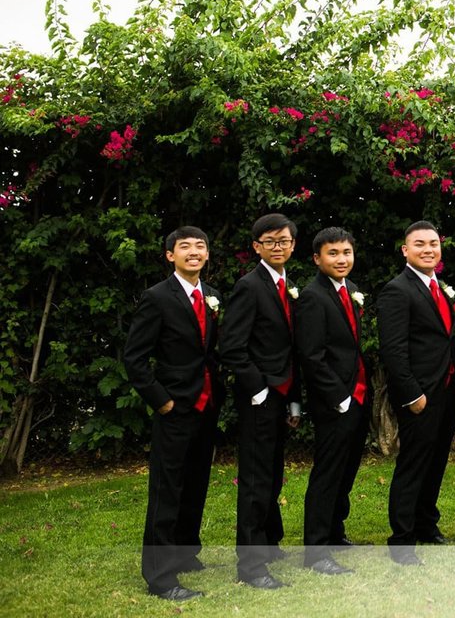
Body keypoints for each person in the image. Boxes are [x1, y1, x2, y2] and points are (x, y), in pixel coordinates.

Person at [121, 226, 222, 601]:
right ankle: (161, 576)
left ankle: (184, 552)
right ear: (170, 255)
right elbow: (134, 358)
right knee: (167, 489)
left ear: (207, 255)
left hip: (206, 405)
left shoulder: (212, 296)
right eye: (185, 247)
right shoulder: (157, 297)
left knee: (196, 483)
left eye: (200, 246)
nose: (193, 252)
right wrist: (161, 400)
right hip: (174, 407)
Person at [220, 213, 303, 589]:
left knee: (271, 473)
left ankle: (269, 543)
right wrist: (259, 390)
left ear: (293, 245)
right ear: (257, 247)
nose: (278, 247)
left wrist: (293, 401)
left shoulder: (288, 286)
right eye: (270, 242)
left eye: (284, 241)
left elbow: (290, 349)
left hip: (283, 394)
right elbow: (232, 347)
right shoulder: (249, 287)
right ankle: (252, 566)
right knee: (254, 479)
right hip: (259, 397)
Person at [377, 220, 455, 565]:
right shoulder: (397, 290)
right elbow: (393, 350)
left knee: (436, 461)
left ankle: (426, 524)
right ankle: (402, 538)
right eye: (420, 244)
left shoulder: (437, 286)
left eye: (433, 243)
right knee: (413, 464)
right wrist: (412, 395)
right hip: (419, 394)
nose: (428, 249)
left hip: (446, 388)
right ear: (405, 250)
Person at [295, 227, 369, 575]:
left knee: (347, 469)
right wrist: (340, 398)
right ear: (317, 258)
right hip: (334, 401)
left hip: (357, 398)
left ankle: (336, 532)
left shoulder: (350, 291)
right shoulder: (313, 297)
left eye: (346, 253)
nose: (341, 259)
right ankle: (316, 550)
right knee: (327, 474)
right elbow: (311, 356)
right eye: (333, 253)